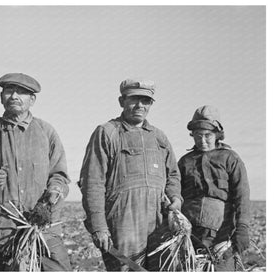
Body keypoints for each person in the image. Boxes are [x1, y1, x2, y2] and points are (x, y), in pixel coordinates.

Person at [0, 73, 72, 271]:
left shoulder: (45, 131)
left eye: (21, 92)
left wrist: (54, 192)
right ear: (1, 97)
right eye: (9, 91)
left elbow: (60, 175)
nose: (14, 96)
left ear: (32, 100)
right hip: (0, 230)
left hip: (43, 229)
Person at [78, 78, 182, 271]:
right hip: (123, 225)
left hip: (159, 224)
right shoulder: (107, 133)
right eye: (134, 99)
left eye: (146, 101)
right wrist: (99, 227)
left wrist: (175, 198)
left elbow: (173, 175)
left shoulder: (159, 137)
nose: (139, 105)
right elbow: (92, 183)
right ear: (121, 101)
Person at [178, 105, 251, 271]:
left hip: (222, 236)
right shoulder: (185, 162)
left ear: (218, 134)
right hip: (190, 237)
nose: (202, 140)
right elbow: (176, 193)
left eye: (207, 135)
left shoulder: (230, 159)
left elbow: (242, 196)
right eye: (197, 135)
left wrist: (242, 229)